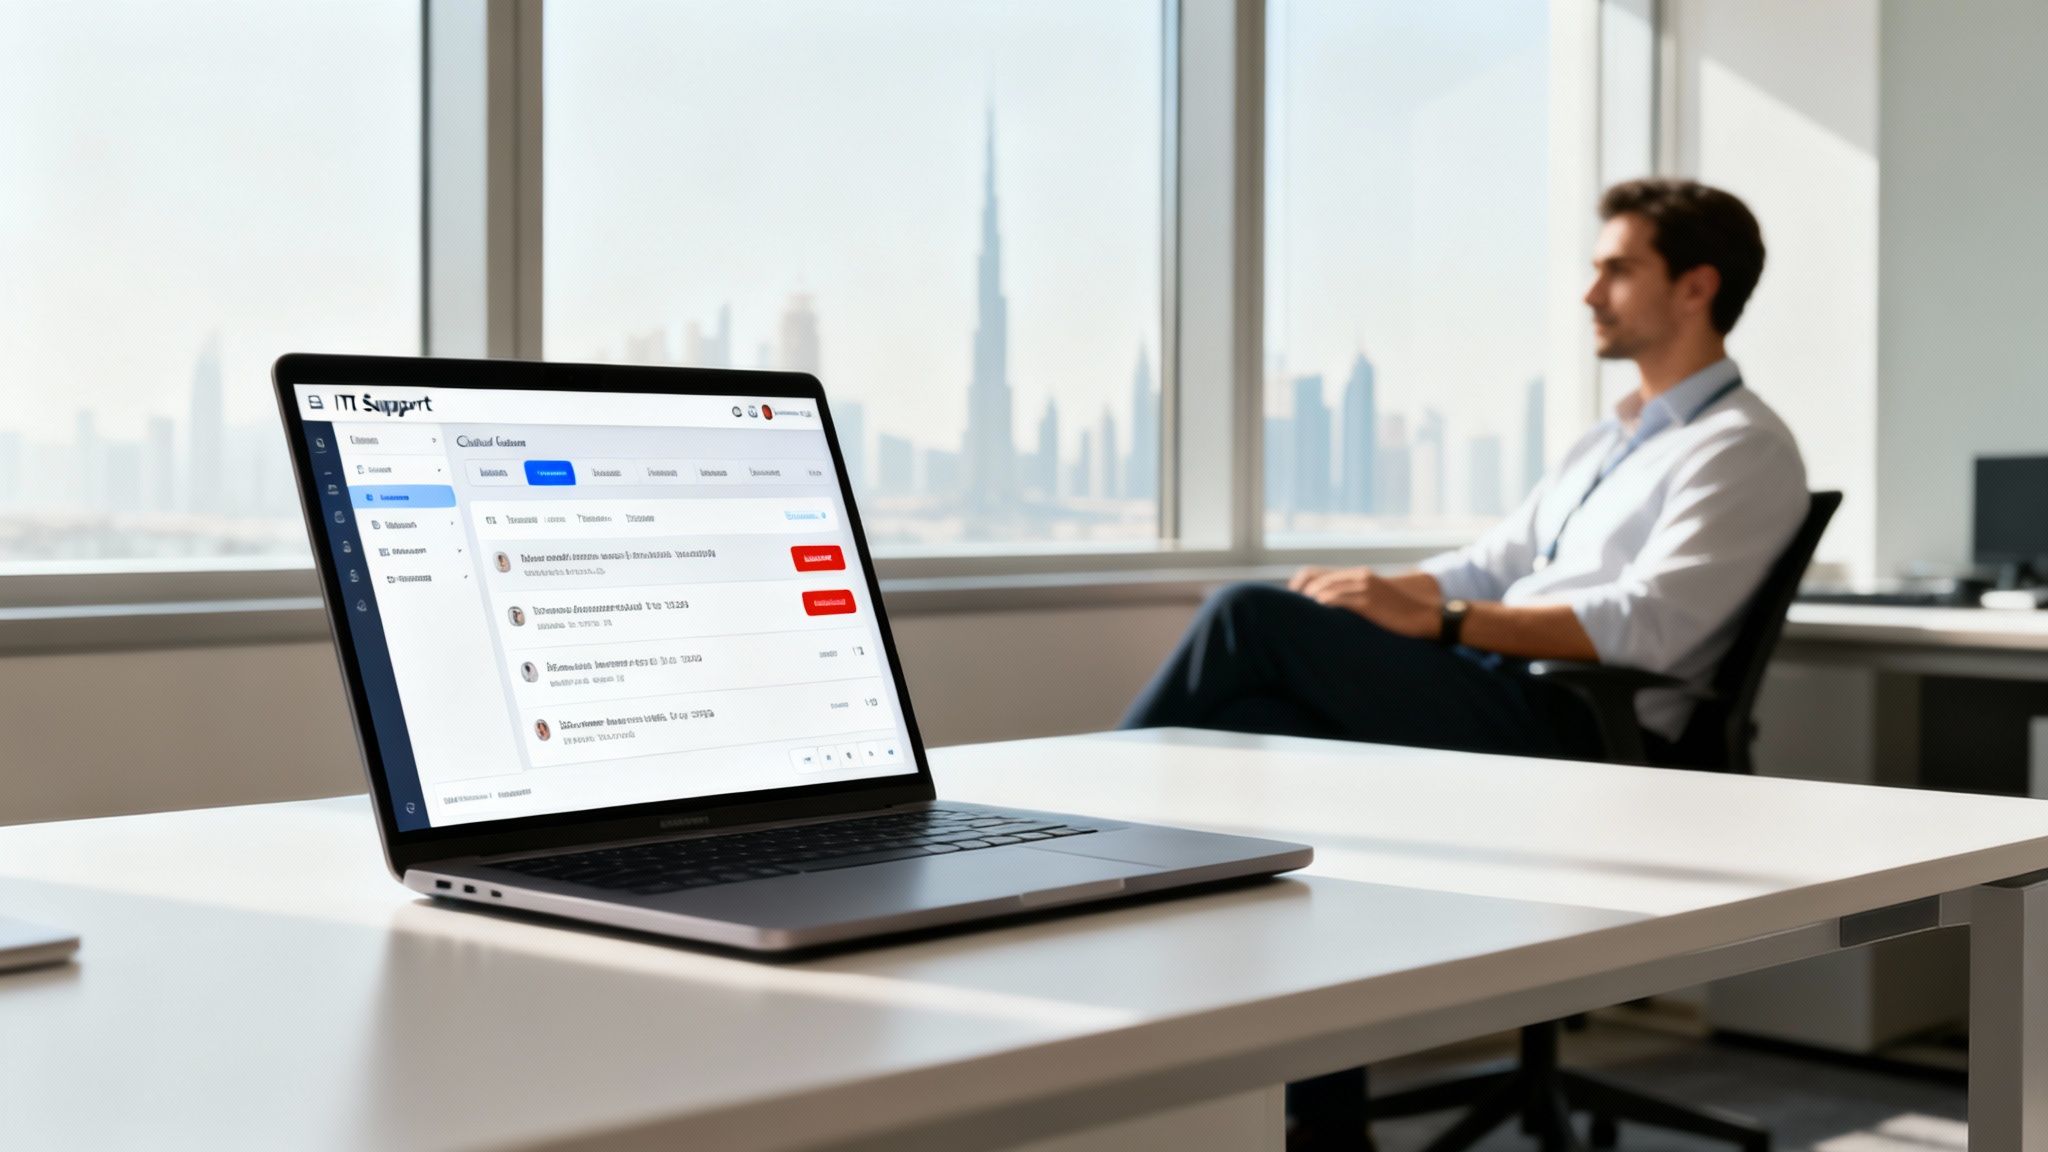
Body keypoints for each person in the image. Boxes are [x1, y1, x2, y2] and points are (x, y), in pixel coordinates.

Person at [1123, 179, 1806, 760]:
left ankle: (1083, 816)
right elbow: (1487, 568)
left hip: (1577, 720)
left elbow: (1646, 626)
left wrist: (1442, 620)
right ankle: (1115, 854)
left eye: (1619, 271)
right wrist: (1365, 593)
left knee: (1245, 614)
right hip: (1495, 679)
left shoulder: (1741, 447)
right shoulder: (1609, 438)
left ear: (1696, 288)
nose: (1590, 294)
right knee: (1252, 722)